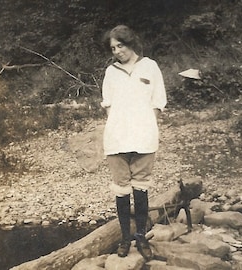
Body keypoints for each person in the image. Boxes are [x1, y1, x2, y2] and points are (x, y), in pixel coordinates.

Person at [101, 25, 167, 260]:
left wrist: (147, 128)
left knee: (140, 187)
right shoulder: (111, 72)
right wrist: (119, 128)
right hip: (117, 139)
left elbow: (158, 102)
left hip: (144, 137)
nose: (117, 51)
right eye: (113, 48)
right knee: (121, 189)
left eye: (121, 45)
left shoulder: (150, 66)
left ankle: (140, 236)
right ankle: (124, 239)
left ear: (130, 43)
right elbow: (107, 104)